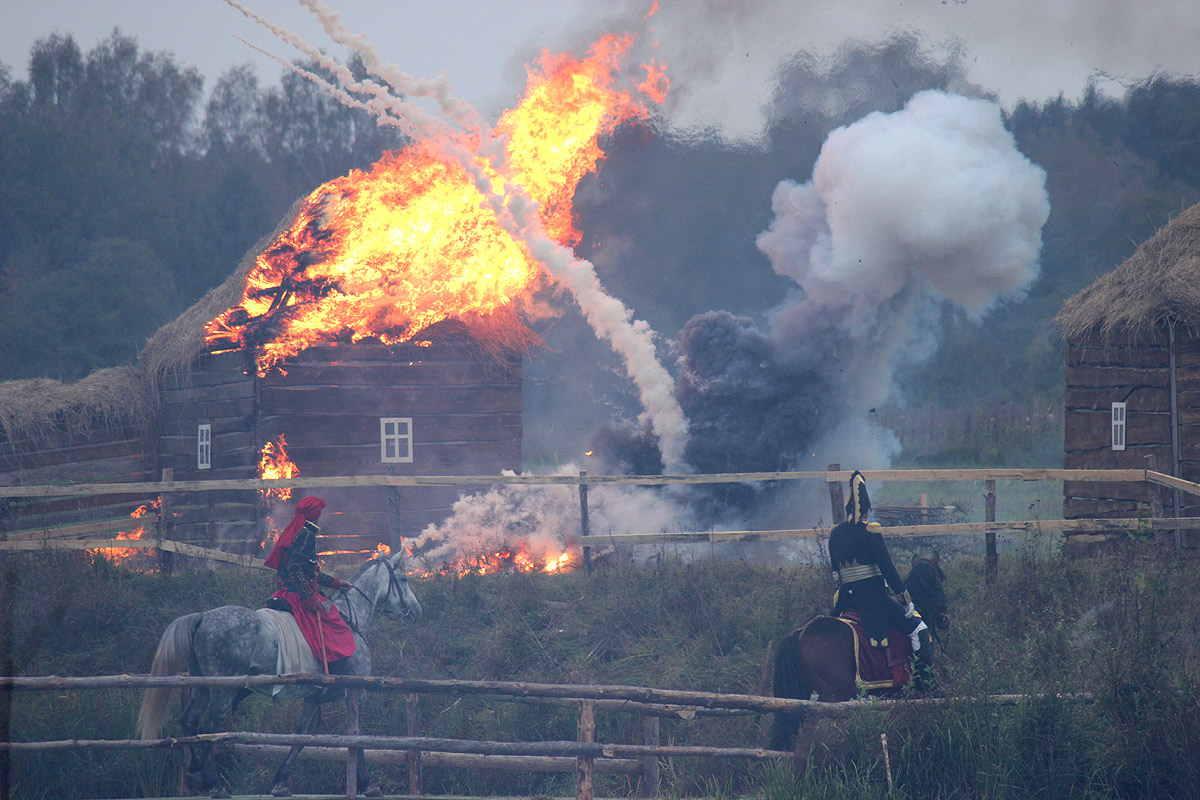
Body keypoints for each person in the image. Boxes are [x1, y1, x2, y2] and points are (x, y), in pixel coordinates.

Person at [828, 471, 927, 651]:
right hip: (872, 598)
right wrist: (904, 599)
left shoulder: (835, 534)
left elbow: (836, 574)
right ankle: (920, 677)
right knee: (918, 629)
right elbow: (887, 568)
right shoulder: (870, 532)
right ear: (866, 510)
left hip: (845, 600)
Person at [263, 496, 357, 671]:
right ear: (315, 515)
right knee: (332, 623)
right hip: (295, 595)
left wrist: (336, 583)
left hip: (288, 591)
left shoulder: (296, 531)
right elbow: (295, 569)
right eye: (319, 513)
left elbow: (310, 572)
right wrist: (309, 598)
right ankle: (335, 671)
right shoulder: (306, 535)